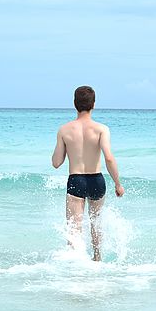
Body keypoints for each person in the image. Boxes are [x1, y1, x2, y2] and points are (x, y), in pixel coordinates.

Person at [51, 86, 125, 261]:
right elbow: (108, 158)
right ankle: (97, 260)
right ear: (94, 104)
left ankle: (76, 266)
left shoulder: (64, 129)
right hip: (97, 180)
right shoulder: (101, 129)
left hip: (76, 180)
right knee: (96, 225)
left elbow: (56, 163)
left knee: (74, 229)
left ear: (74, 104)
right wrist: (118, 184)